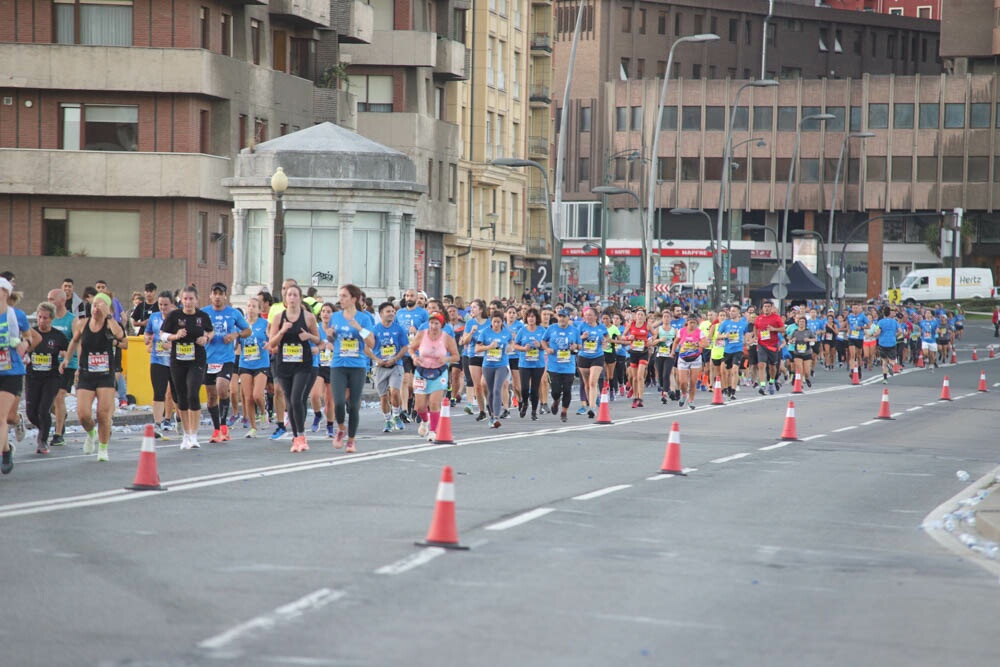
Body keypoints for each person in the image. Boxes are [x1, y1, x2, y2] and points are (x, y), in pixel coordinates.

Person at [61, 292, 126, 461]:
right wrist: (67, 359)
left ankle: (103, 449)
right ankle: (91, 433)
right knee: (83, 414)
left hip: (105, 374)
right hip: (86, 374)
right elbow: (74, 341)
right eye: (94, 305)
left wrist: (109, 316)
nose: (96, 308)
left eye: (100, 305)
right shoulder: (83, 323)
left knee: (103, 414)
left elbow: (121, 336)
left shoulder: (111, 324)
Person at [159, 286, 213, 450]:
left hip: (196, 359)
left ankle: (194, 435)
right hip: (178, 360)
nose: (188, 302)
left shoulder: (202, 316)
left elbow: (211, 332)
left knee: (192, 392)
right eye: (185, 299)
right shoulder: (174, 316)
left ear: (196, 300)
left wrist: (206, 338)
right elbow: (163, 334)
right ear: (181, 301)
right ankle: (186, 434)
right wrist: (175, 336)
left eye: (191, 299)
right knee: (181, 396)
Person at [267, 284, 320, 453]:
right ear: (285, 298)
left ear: (300, 297)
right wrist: (282, 331)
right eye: (289, 295)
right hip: (283, 364)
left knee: (297, 398)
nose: (292, 298)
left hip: (303, 364)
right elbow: (272, 344)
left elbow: (318, 339)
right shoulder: (278, 317)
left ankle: (302, 436)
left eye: (295, 295)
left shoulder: (309, 317)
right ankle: (296, 437)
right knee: (289, 401)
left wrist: (308, 336)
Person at [327, 284, 374, 453]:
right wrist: (330, 335)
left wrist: (359, 329)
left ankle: (351, 440)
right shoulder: (335, 317)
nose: (341, 299)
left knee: (353, 405)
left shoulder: (364, 318)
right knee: (338, 402)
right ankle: (341, 427)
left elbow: (371, 343)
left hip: (357, 365)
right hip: (338, 364)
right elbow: (332, 340)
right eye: (340, 296)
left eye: (344, 296)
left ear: (354, 299)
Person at [203, 283, 251, 443]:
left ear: (225, 296)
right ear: (210, 295)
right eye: (214, 293)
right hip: (208, 359)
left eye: (220, 293)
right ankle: (217, 429)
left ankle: (223, 425)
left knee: (222, 388)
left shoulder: (233, 313)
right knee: (211, 397)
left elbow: (247, 330)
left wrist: (235, 335)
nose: (217, 297)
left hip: (226, 359)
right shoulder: (204, 313)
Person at [25, 302, 69, 454]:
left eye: (45, 318)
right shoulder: (32, 333)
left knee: (44, 409)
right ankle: (44, 427)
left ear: (51, 319)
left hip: (51, 377)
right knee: (31, 413)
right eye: (40, 317)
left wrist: (65, 358)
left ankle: (43, 440)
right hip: (33, 377)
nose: (42, 321)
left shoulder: (57, 336)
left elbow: (68, 350)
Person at [0, 277, 32, 474]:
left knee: (1, 417)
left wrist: (23, 344)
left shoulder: (16, 315)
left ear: (5, 292)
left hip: (11, 371)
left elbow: (30, 337)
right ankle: (7, 449)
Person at [412, 312, 460, 441]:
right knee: (419, 406)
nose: (433, 326)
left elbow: (456, 356)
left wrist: (447, 358)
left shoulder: (447, 338)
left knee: (434, 402)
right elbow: (411, 348)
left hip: (439, 372)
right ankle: (424, 421)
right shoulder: (422, 335)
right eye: (431, 323)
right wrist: (414, 357)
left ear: (441, 324)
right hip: (421, 371)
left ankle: (433, 430)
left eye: (436, 323)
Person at [370, 301, 409, 433]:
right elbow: (366, 347)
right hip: (380, 366)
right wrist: (377, 359)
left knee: (395, 391)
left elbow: (405, 347)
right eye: (388, 311)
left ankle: (396, 415)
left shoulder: (399, 329)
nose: (391, 314)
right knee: (383, 397)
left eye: (393, 311)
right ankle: (387, 420)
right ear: (381, 314)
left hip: (395, 365)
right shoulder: (375, 329)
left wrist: (396, 358)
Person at [47, 287, 77, 447]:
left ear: (62, 300)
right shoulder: (49, 320)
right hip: (50, 364)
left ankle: (58, 434)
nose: (49, 302)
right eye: (48, 299)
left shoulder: (72, 320)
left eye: (52, 299)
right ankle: (60, 416)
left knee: (60, 396)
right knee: (49, 401)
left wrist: (73, 361)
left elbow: (77, 341)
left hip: (68, 365)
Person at [143, 291, 175, 439]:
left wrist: (173, 344)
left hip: (176, 360)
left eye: (166, 305)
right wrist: (147, 339)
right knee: (158, 392)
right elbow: (148, 333)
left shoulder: (177, 317)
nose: (163, 307)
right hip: (158, 359)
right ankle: (157, 423)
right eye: (160, 304)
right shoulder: (154, 317)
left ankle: (180, 420)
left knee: (177, 394)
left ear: (172, 304)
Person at [237, 297, 271, 438]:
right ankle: (253, 427)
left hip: (261, 362)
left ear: (259, 309)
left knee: (257, 395)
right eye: (249, 305)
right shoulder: (241, 324)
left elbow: (271, 339)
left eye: (254, 306)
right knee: (248, 397)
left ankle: (263, 412)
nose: (251, 308)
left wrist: (269, 345)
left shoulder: (265, 324)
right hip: (245, 363)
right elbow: (237, 343)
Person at [395, 288, 429, 422]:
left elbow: (429, 331)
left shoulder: (423, 313)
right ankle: (404, 409)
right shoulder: (399, 313)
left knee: (417, 383)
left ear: (416, 298)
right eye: (407, 296)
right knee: (405, 381)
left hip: (419, 352)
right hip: (404, 351)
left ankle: (416, 407)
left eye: (412, 296)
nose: (409, 298)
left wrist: (417, 331)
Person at [542, 308, 581, 423]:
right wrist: (547, 349)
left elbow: (580, 345)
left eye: (564, 316)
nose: (562, 319)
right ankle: (556, 400)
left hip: (569, 366)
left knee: (567, 390)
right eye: (560, 316)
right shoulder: (551, 328)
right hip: (554, 366)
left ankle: (564, 412)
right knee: (555, 391)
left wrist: (575, 347)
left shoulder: (574, 330)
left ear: (569, 318)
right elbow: (543, 341)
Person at [475, 311, 513, 429]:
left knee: (497, 389)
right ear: (491, 321)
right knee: (490, 391)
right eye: (494, 322)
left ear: (502, 322)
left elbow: (511, 344)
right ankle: (491, 414)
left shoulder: (506, 332)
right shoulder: (485, 332)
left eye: (498, 322)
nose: (496, 324)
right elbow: (477, 348)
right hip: (488, 365)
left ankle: (496, 417)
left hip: (502, 364)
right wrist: (489, 347)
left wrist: (510, 347)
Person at [575, 307, 608, 419]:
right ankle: (591, 401)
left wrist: (604, 342)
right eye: (586, 315)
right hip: (583, 356)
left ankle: (592, 408)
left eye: (590, 315)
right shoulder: (581, 326)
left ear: (595, 316)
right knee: (586, 383)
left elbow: (606, 338)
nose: (587, 317)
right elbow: (575, 339)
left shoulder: (601, 327)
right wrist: (582, 337)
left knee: (593, 381)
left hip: (597, 356)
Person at [513, 307, 546, 420]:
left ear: (536, 318)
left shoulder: (542, 330)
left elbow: (547, 345)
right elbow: (515, 345)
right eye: (529, 316)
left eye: (533, 316)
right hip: (524, 363)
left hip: (538, 364)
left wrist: (540, 346)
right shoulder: (522, 330)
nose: (531, 319)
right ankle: (525, 403)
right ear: (526, 318)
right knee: (525, 387)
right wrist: (523, 348)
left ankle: (534, 411)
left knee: (535, 388)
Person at [672, 315, 707, 409]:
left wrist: (697, 344)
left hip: (695, 358)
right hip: (683, 358)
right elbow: (676, 342)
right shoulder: (681, 331)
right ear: (687, 323)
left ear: (697, 324)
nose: (692, 325)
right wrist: (672, 352)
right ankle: (683, 394)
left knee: (692, 381)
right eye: (690, 323)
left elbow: (706, 343)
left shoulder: (700, 332)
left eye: (694, 323)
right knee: (682, 382)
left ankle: (691, 400)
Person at [623, 308, 652, 408]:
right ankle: (635, 398)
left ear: (645, 317)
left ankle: (640, 398)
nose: (639, 317)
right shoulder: (631, 324)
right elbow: (623, 336)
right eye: (638, 315)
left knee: (640, 376)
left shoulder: (647, 325)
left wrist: (651, 339)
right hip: (633, 352)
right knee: (634, 378)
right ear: (635, 316)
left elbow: (655, 334)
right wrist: (628, 338)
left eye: (641, 315)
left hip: (643, 352)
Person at [754, 301, 785, 395]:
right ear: (762, 308)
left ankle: (771, 382)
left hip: (773, 345)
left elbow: (783, 329)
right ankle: (762, 385)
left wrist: (774, 329)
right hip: (762, 344)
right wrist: (755, 336)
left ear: (771, 308)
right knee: (761, 365)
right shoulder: (759, 318)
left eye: (768, 306)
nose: (766, 308)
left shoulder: (776, 318)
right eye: (765, 306)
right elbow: (755, 327)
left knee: (772, 367)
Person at [874, 306, 900, 384]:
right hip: (892, 342)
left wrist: (874, 335)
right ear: (890, 313)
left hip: (882, 342)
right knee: (893, 360)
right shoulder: (894, 322)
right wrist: (895, 335)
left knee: (884, 361)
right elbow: (901, 331)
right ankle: (890, 366)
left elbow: (878, 332)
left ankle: (885, 379)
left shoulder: (880, 322)